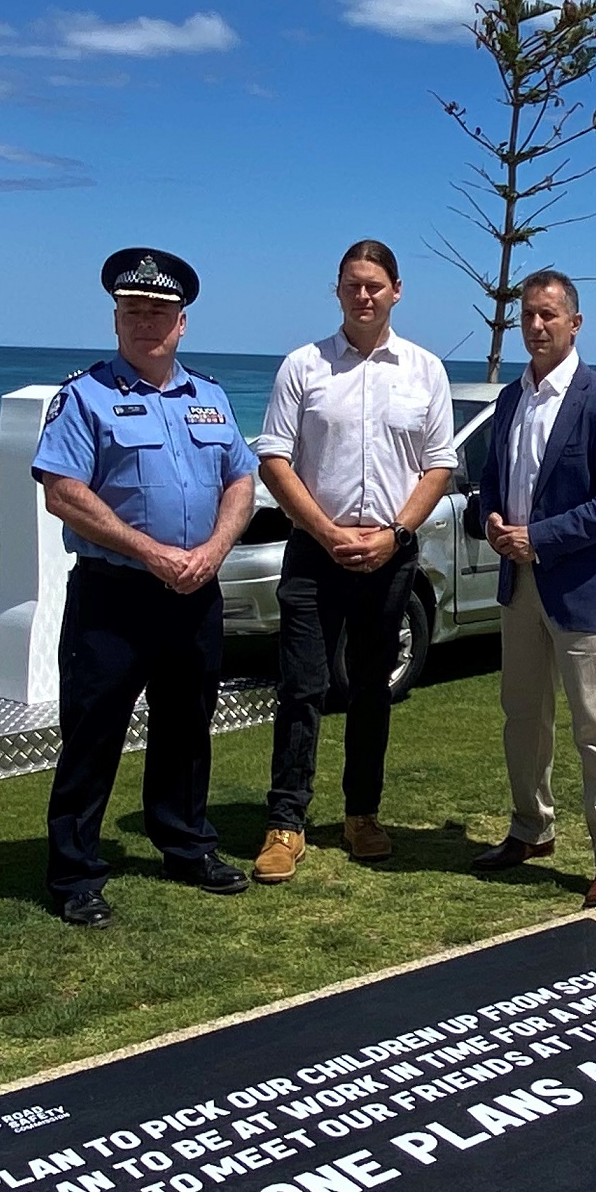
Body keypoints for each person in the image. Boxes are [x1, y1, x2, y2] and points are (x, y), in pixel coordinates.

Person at [33, 246, 258, 926]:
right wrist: (152, 551)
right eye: (134, 311)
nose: (147, 323)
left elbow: (241, 481)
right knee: (94, 731)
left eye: (159, 312)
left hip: (194, 592)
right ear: (115, 318)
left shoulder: (210, 398)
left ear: (181, 323)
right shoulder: (84, 397)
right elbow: (64, 494)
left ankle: (185, 844)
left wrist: (213, 551)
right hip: (115, 594)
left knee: (187, 727)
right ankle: (75, 872)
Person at [250, 239, 456, 883]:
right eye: (350, 285)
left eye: (373, 285)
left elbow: (439, 465)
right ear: (336, 292)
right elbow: (275, 459)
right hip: (315, 553)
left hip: (391, 556)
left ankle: (362, 814)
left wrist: (393, 533)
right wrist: (324, 530)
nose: (362, 295)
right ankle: (286, 822)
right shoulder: (303, 367)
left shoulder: (425, 370)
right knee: (302, 686)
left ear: (396, 290)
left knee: (373, 688)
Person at [464, 270, 596, 908]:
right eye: (528, 317)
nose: (537, 327)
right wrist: (490, 517)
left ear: (574, 323)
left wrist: (540, 536)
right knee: (523, 718)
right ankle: (530, 829)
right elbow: (491, 476)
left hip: (581, 591)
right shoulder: (513, 400)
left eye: (548, 316)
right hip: (519, 589)